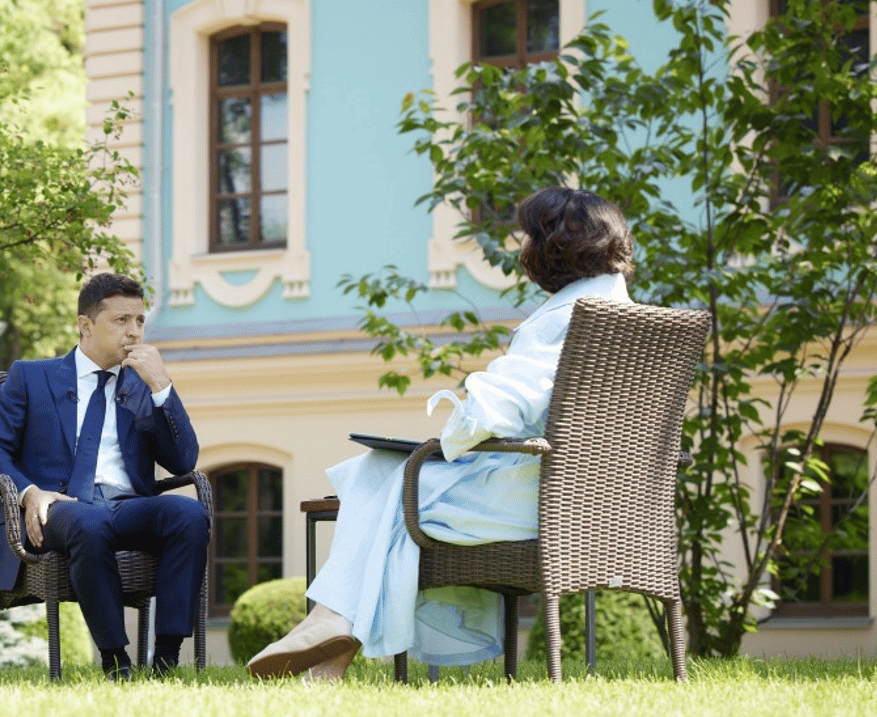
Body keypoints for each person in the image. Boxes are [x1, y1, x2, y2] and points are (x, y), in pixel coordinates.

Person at [246, 187, 636, 679]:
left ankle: (327, 621)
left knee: (383, 476)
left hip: (534, 506)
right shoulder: (633, 321)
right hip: (605, 507)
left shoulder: (563, 320)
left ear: (552, 247)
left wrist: (456, 427)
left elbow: (494, 411)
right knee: (390, 483)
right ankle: (328, 655)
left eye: (529, 238)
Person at [0, 273, 210, 680]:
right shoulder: (32, 377)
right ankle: (116, 661)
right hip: (58, 509)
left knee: (189, 515)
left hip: (127, 507)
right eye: (121, 320)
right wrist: (30, 493)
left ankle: (166, 660)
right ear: (85, 325)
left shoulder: (142, 385)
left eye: (139, 320)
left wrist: (161, 386)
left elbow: (183, 459)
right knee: (89, 521)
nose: (134, 332)